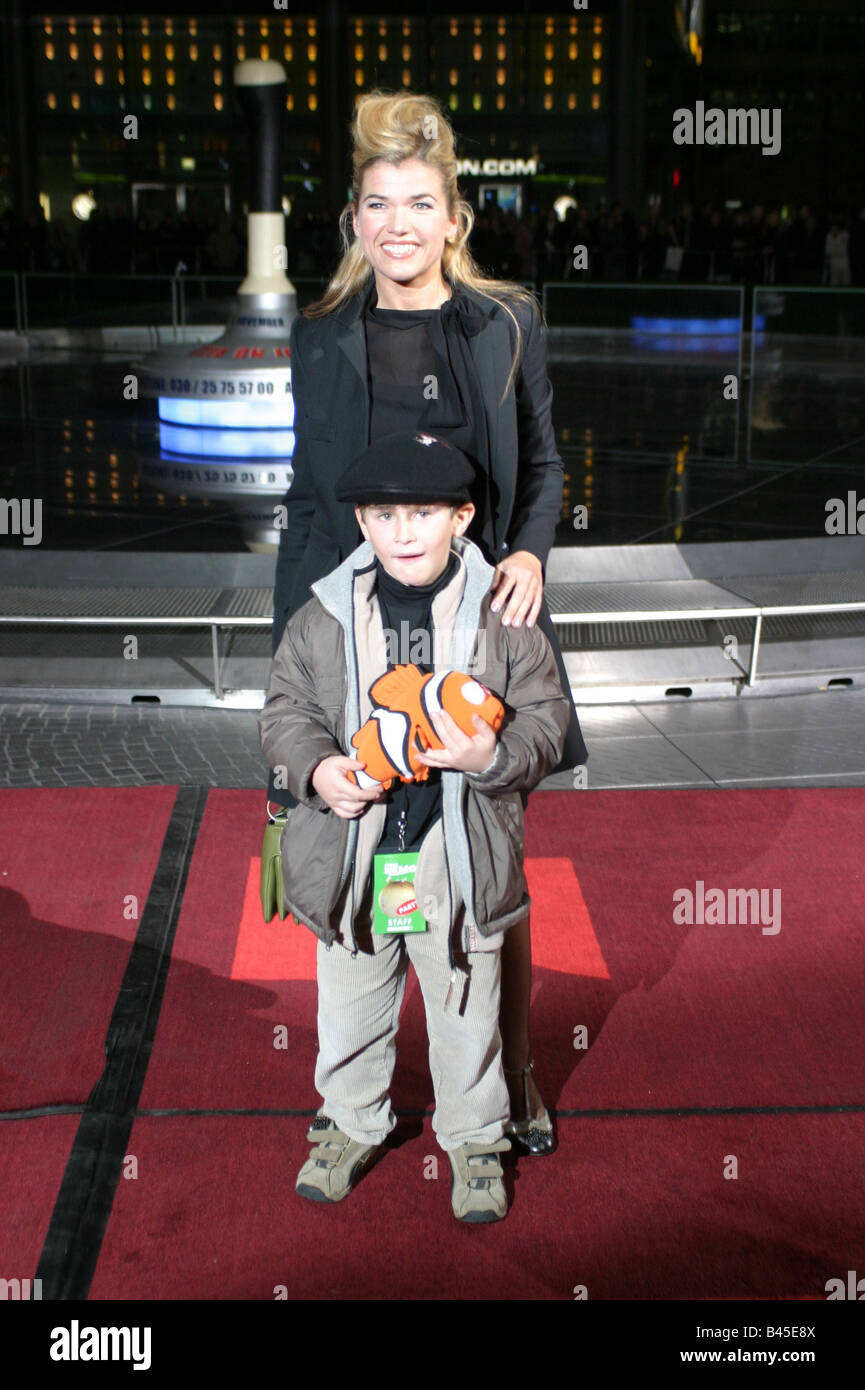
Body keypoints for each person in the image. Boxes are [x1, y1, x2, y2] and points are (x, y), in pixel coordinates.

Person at [261, 89, 587, 1155]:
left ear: (454, 217)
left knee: (485, 859)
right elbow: (311, 508)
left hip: (476, 625)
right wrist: (291, 667)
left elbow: (539, 466)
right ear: (353, 220)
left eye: (419, 203)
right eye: (375, 204)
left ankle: (511, 1082)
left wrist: (531, 550)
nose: (397, 224)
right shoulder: (320, 338)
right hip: (356, 628)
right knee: (368, 840)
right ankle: (357, 1097)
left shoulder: (503, 324)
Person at [258, 432, 571, 1222]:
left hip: (455, 852)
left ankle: (474, 1139)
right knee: (351, 1002)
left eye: (423, 513)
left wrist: (491, 753)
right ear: (361, 522)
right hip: (357, 853)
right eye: (384, 514)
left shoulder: (505, 612)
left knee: (466, 1006)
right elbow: (286, 711)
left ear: (460, 517)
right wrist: (320, 771)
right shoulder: (321, 614)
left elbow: (547, 715)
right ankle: (351, 1121)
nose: (402, 531)